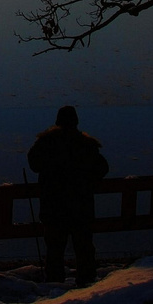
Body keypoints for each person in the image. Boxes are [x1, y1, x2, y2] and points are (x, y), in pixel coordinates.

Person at [26, 105, 108, 285]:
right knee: (84, 247)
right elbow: (102, 168)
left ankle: (55, 282)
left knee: (55, 248)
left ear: (57, 122)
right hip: (81, 207)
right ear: (76, 122)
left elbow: (33, 163)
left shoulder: (46, 143)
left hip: (54, 206)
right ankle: (86, 281)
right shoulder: (86, 144)